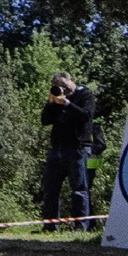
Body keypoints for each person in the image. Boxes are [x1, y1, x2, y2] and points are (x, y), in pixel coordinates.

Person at [41, 72, 95, 231]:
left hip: (77, 148)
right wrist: (51, 103)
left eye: (65, 86)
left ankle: (81, 226)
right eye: (60, 87)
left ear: (72, 81)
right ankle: (50, 227)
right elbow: (45, 121)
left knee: (79, 189)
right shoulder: (58, 100)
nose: (64, 89)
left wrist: (67, 104)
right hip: (56, 148)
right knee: (51, 190)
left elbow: (86, 115)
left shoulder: (85, 95)